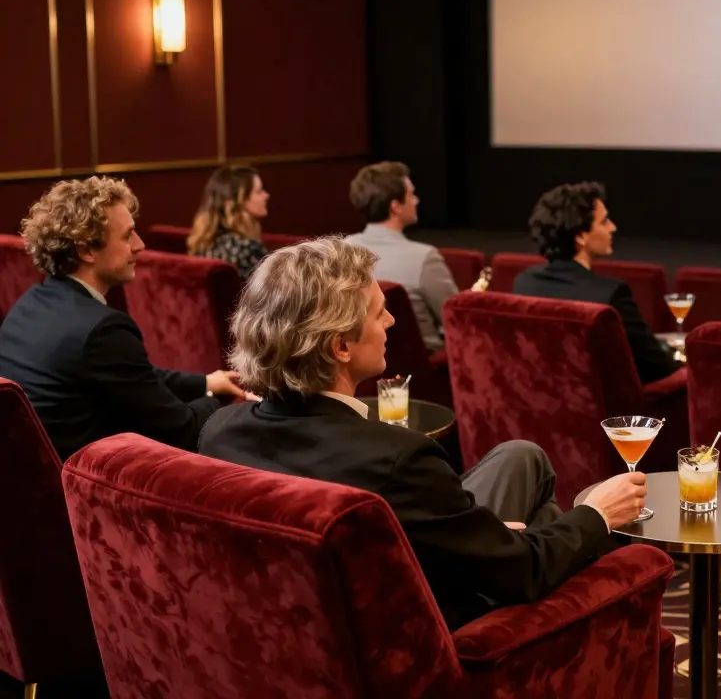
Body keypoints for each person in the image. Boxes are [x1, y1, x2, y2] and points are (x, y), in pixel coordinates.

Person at [199, 237, 647, 630]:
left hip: (298, 625)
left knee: (521, 457)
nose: (392, 322)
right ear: (340, 346)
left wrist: (483, 537)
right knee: (553, 545)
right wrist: (596, 514)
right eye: (379, 314)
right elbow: (525, 571)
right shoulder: (399, 460)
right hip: (427, 632)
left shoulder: (219, 432)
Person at [0, 177, 246, 459]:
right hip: (77, 491)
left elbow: (137, 377)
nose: (139, 245)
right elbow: (182, 430)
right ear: (86, 250)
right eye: (128, 235)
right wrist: (228, 403)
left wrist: (205, 383)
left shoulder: (29, 304)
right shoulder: (101, 330)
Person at [512, 181, 681, 384]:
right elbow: (658, 367)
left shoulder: (524, 283)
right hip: (610, 413)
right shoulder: (611, 294)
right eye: (604, 221)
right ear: (581, 236)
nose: (613, 227)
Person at [345, 161, 458, 351]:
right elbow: (455, 319)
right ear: (395, 206)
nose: (416, 200)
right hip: (424, 371)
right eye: (411, 194)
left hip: (358, 366)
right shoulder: (424, 258)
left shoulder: (342, 250)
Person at [188, 165, 270, 278]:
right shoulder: (249, 248)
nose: (266, 196)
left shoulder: (202, 244)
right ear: (240, 200)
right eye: (259, 191)